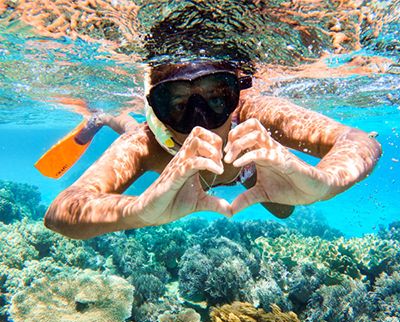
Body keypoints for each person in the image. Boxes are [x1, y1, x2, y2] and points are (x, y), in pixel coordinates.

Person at [43, 60, 382, 239]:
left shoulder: (255, 113)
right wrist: (137, 211)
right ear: (156, 109)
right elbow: (61, 212)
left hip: (245, 166)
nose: (200, 121)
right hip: (163, 149)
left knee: (285, 209)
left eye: (217, 97)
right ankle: (101, 117)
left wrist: (325, 181)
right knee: (130, 128)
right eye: (177, 104)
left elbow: (361, 141)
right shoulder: (147, 141)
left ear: (235, 96)